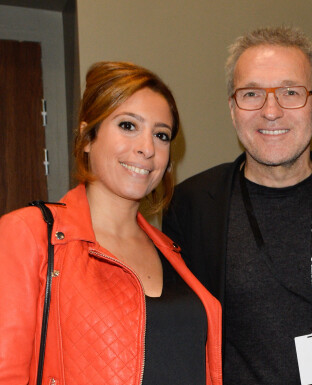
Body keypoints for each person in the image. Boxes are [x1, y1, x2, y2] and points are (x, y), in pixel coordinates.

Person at [163, 26, 312, 384]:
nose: (271, 111)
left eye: (290, 92)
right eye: (251, 94)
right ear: (233, 110)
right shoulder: (191, 206)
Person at [0, 61, 222, 385]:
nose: (147, 148)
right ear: (87, 137)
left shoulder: (171, 251)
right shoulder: (27, 234)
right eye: (128, 126)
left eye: (161, 135)